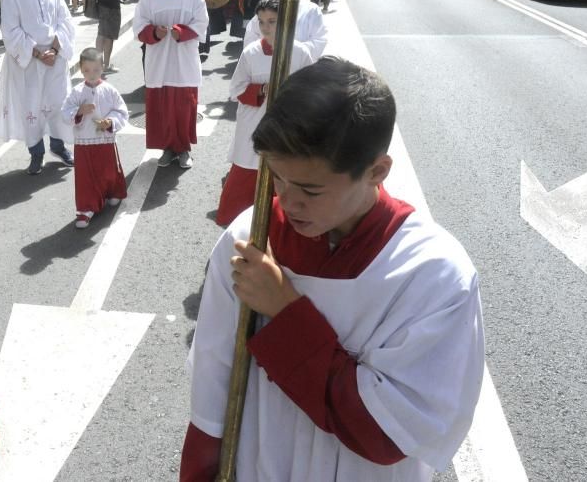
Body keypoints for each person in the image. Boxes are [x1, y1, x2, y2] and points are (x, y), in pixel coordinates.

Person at [180, 56, 485, 482]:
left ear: (376, 171)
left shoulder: (432, 273)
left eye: (310, 189)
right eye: (278, 177)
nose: (287, 201)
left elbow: (388, 435)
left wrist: (285, 313)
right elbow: (214, 383)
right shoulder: (251, 238)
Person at [216, 0, 329, 226]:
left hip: (287, 130)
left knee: (284, 182)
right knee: (246, 180)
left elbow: (311, 91)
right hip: (253, 127)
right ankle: (239, 230)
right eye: (261, 21)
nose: (265, 27)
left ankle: (281, 232)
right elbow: (236, 88)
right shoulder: (251, 53)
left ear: (286, 21)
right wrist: (263, 89)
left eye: (272, 21)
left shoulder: (300, 53)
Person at [0, 0, 76, 175]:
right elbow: (10, 29)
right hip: (29, 62)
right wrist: (38, 54)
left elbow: (64, 19)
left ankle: (59, 146)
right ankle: (36, 153)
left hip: (54, 59)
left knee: (58, 103)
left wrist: (56, 48)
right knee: (32, 107)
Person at [133, 0, 208, 170]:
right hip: (159, 62)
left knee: (184, 107)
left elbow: (202, 24)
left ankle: (183, 148)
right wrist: (154, 33)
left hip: (184, 61)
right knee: (164, 107)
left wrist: (182, 32)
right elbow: (139, 26)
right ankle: (167, 148)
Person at [60, 47, 129, 228]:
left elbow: (121, 112)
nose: (92, 74)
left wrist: (110, 122)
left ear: (102, 68)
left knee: (108, 171)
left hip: (105, 141)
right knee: (86, 177)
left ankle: (112, 192)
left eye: (96, 70)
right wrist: (79, 111)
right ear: (81, 69)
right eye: (87, 70)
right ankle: (85, 209)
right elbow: (65, 113)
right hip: (84, 143)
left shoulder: (110, 90)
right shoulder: (76, 92)